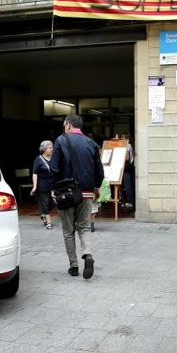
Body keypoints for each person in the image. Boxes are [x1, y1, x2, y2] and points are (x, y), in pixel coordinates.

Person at [50, 114, 104, 279]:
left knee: (68, 231)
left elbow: (54, 168)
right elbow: (99, 172)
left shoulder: (60, 141)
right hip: (86, 193)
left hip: (66, 194)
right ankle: (87, 254)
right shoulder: (91, 143)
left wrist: (54, 188)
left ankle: (73, 266)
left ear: (67, 125)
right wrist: (95, 187)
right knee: (84, 227)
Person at [31, 140, 54, 230]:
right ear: (44, 149)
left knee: (51, 204)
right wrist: (35, 186)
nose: (51, 149)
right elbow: (35, 173)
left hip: (53, 185)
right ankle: (49, 222)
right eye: (49, 148)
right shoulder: (39, 159)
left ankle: (43, 214)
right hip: (42, 185)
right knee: (45, 203)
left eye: (52, 148)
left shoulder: (54, 158)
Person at [120, 132, 135, 208]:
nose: (121, 139)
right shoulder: (128, 145)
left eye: (123, 137)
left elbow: (127, 158)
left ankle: (130, 201)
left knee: (127, 185)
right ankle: (126, 201)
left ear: (127, 139)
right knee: (125, 185)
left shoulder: (127, 145)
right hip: (126, 168)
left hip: (126, 168)